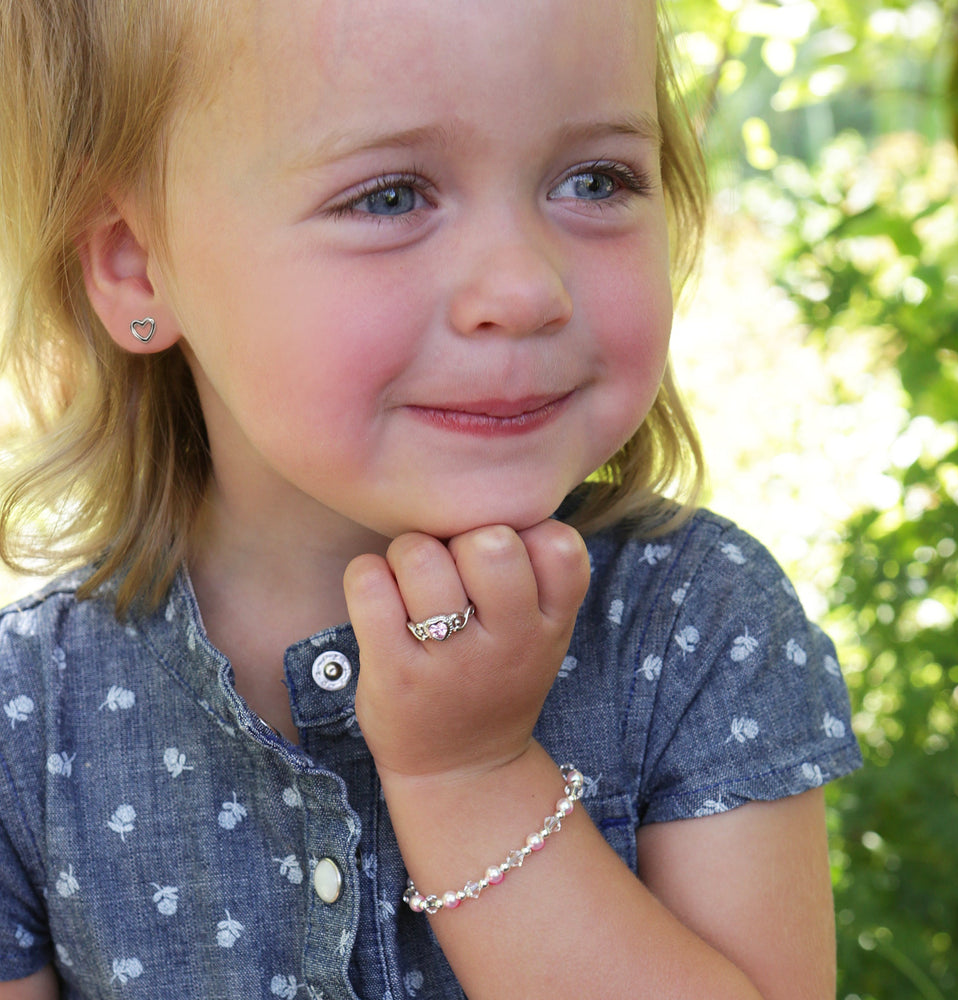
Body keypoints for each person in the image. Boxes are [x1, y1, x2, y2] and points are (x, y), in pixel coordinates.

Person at [0, 1, 862, 997]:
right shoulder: (34, 724)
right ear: (134, 262)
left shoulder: (695, 626)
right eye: (388, 197)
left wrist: (473, 781)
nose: (526, 287)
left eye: (595, 179)